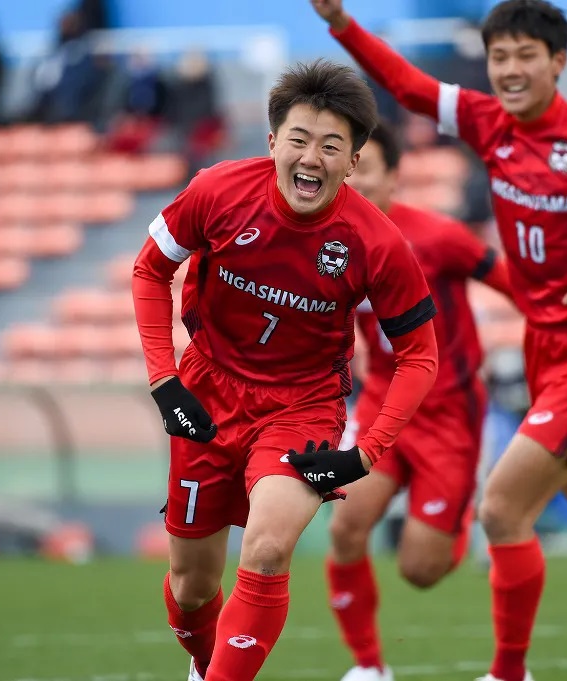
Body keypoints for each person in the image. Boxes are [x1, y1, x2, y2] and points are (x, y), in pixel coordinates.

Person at [311, 0, 567, 678]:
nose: (509, 70)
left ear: (557, 62)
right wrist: (341, 24)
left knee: (503, 507)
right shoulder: (488, 124)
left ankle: (510, 672)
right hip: (547, 353)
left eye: (524, 56)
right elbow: (409, 87)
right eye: (499, 57)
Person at [131, 59, 439, 681]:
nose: (312, 158)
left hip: (302, 407)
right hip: (206, 393)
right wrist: (165, 382)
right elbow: (149, 270)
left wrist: (366, 452)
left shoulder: (377, 243)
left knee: (268, 546)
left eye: (332, 146)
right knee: (191, 588)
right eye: (299, 139)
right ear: (273, 141)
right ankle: (206, 664)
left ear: (353, 161)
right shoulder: (217, 191)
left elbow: (419, 356)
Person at [327, 120, 511, 681]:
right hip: (384, 406)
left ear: (392, 177)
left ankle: (455, 520)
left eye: (366, 171)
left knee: (420, 570)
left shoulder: (438, 237)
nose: (352, 184)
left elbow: (513, 285)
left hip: (450, 414)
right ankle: (369, 668)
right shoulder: (331, 246)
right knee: (344, 527)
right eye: (347, 171)